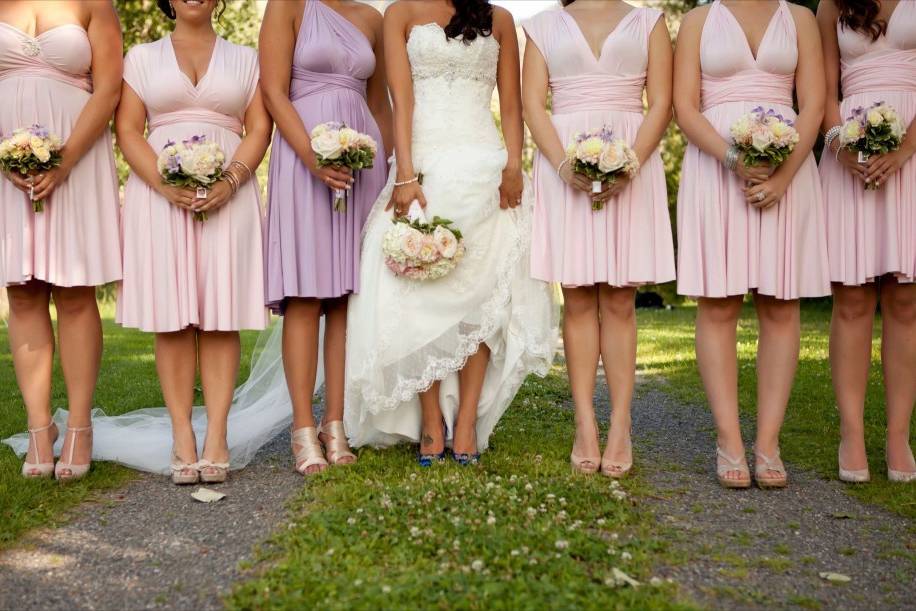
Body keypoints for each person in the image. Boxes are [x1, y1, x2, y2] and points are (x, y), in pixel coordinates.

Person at [343, 0, 558, 465]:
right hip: (425, 166)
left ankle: (466, 426)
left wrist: (513, 165)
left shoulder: (499, 19)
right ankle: (429, 421)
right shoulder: (400, 13)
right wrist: (404, 172)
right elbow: (402, 98)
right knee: (418, 287)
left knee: (481, 295)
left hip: (484, 165)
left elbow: (512, 103)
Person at [674, 0, 828, 489]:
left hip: (790, 172)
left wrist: (785, 175)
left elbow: (816, 105)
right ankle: (729, 442)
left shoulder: (800, 18)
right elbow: (684, 107)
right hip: (717, 169)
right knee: (718, 305)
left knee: (781, 305)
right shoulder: (698, 20)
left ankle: (768, 443)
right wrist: (731, 157)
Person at [114, 0, 270, 484]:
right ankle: (182, 434)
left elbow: (259, 126)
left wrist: (231, 180)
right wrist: (163, 184)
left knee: (222, 316)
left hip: (231, 196)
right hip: (160, 198)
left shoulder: (247, 58)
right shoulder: (140, 57)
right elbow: (127, 128)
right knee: (172, 316)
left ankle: (217, 434)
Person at [522, 0, 675, 477]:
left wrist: (631, 163)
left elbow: (663, 103)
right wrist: (564, 165)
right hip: (562, 163)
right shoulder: (542, 25)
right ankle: (585, 423)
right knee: (579, 298)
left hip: (633, 160)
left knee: (620, 300)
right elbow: (532, 104)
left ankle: (621, 424)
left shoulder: (649, 21)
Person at [259, 0, 391, 475]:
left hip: (364, 162)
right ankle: (301, 429)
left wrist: (391, 170)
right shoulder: (288, 5)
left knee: (346, 297)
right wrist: (313, 156)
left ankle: (336, 424)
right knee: (306, 296)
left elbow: (379, 103)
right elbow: (274, 93)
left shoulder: (372, 18)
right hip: (302, 158)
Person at [0, 0, 122, 481]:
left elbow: (109, 86)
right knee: (23, 292)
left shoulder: (95, 4)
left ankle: (79, 426)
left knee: (74, 292)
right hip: (6, 169)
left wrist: (65, 159)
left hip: (78, 158)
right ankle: (38, 429)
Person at [817, 0, 916, 483]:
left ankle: (899, 434)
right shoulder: (829, 5)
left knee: (905, 301)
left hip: (912, 151)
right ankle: (851, 432)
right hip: (847, 157)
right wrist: (840, 147)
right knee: (852, 300)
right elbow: (822, 91)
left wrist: (905, 149)